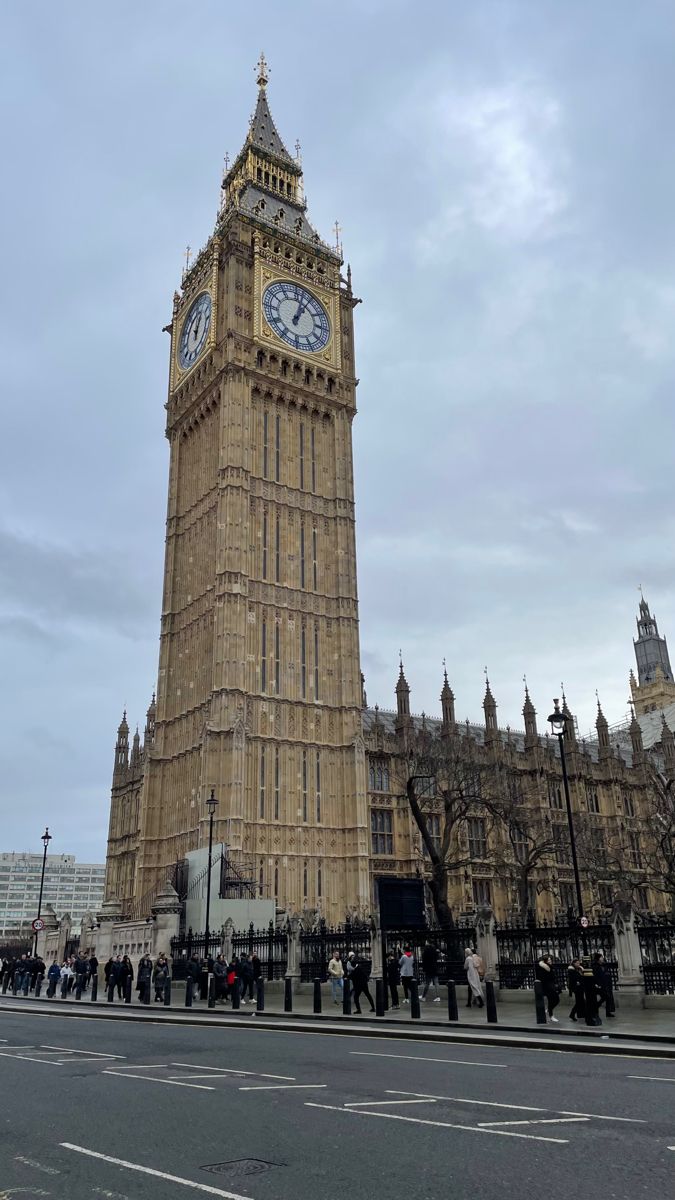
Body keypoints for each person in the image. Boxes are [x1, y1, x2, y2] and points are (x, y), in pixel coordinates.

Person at [535, 954, 560, 1022]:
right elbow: (541, 977)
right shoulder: (542, 968)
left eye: (550, 960)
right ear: (545, 961)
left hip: (552, 985)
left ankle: (549, 1011)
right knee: (552, 1000)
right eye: (548, 960)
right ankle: (551, 1016)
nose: (550, 961)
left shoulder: (550, 967)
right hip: (547, 986)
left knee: (556, 1000)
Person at [593, 952, 615, 1018]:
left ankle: (608, 1012)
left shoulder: (604, 965)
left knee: (607, 998)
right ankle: (596, 1007)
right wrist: (596, 984)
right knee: (605, 997)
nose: (602, 958)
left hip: (604, 984)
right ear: (598, 958)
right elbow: (595, 976)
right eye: (601, 957)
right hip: (598, 985)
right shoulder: (595, 966)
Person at [567, 958, 586, 1022]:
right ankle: (572, 1014)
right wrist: (578, 981)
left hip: (580, 987)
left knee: (580, 1002)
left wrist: (582, 970)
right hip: (576, 988)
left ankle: (581, 1014)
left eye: (579, 963)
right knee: (580, 1002)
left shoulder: (578, 969)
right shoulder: (571, 970)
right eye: (577, 963)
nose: (579, 964)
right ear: (574, 963)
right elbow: (575, 978)